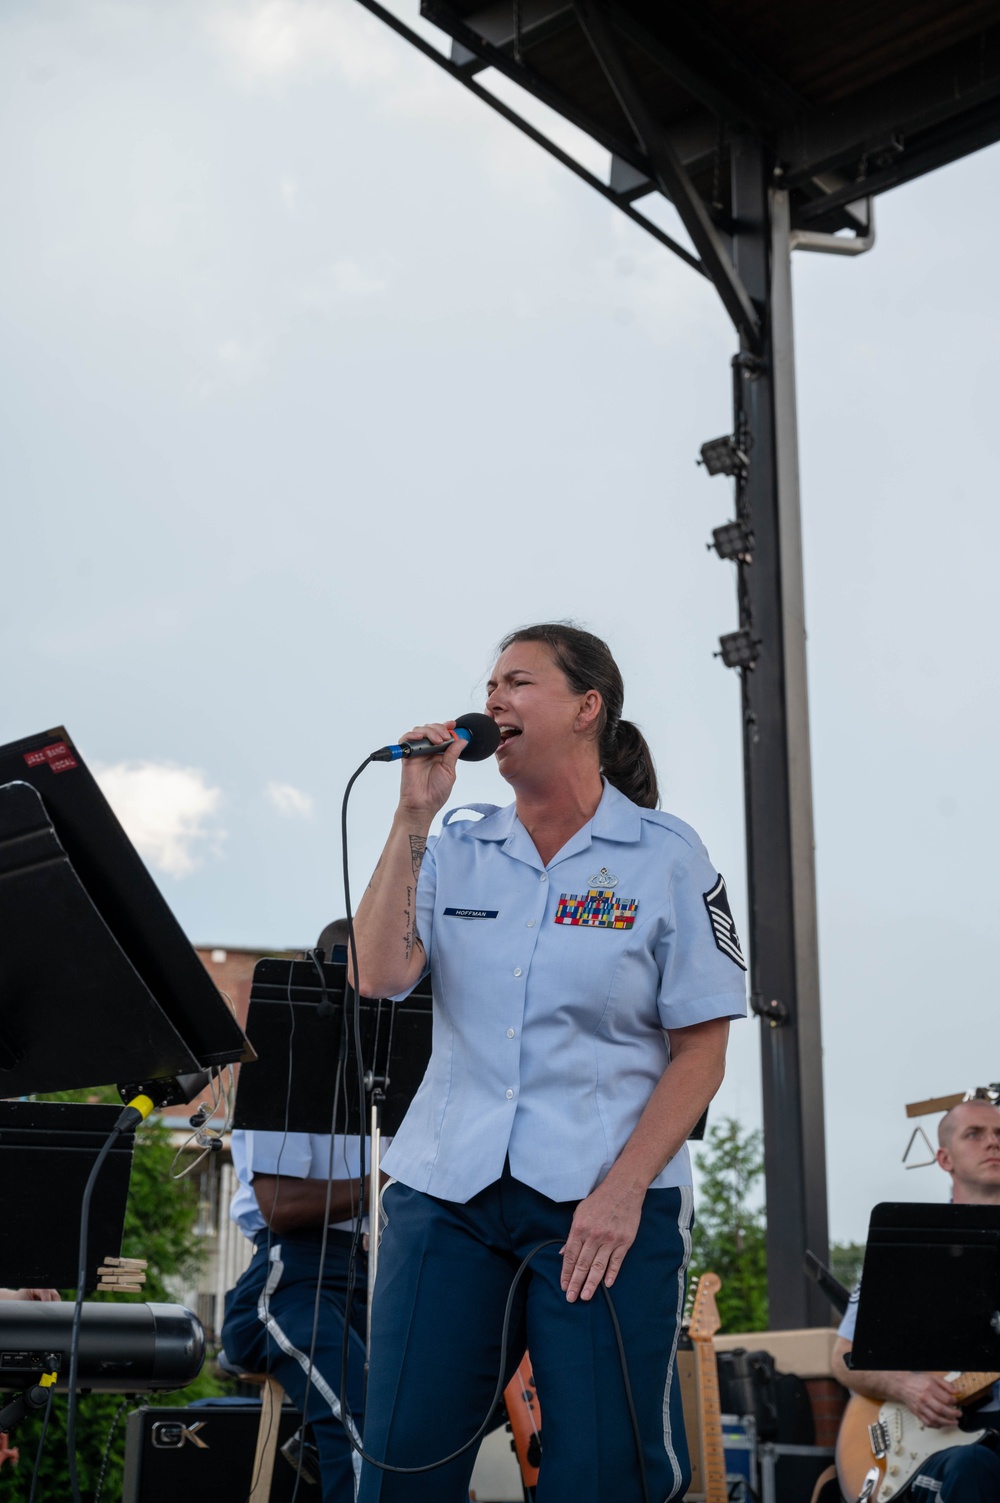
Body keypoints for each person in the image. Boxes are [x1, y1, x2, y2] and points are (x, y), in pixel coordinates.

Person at [351, 623, 747, 1503]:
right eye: (488, 683)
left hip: (599, 1206)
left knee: (605, 1471)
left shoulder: (666, 856)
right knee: (399, 1463)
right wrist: (412, 813)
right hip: (446, 1192)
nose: (492, 699)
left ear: (586, 707)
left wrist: (623, 1192)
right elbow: (378, 973)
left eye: (517, 681)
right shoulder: (456, 842)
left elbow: (702, 1049)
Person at [220, 923, 371, 1503]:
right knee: (362, 1417)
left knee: (437, 1411)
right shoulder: (281, 1061)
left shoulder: (406, 1069)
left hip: (380, 1278)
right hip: (294, 1281)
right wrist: (383, 1185)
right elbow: (279, 1206)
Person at [831, 1097, 1000, 1501]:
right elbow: (843, 1356)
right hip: (944, 1450)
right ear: (944, 1159)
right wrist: (908, 1387)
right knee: (970, 1468)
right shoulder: (910, 1251)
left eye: (999, 1134)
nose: (993, 1143)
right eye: (974, 1134)